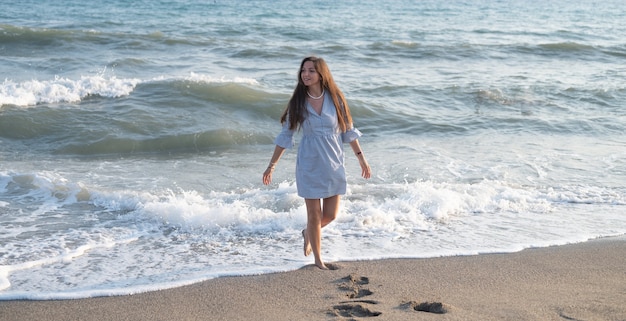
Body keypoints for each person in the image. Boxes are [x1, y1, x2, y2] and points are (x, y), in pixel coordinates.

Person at [262, 56, 371, 270]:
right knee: (314, 214)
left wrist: (362, 159)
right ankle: (318, 260)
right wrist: (271, 165)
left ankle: (308, 233)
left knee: (330, 214)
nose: (306, 74)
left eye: (311, 70)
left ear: (321, 74)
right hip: (309, 164)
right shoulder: (298, 103)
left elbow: (348, 131)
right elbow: (286, 136)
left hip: (333, 162)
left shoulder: (336, 98)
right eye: (303, 70)